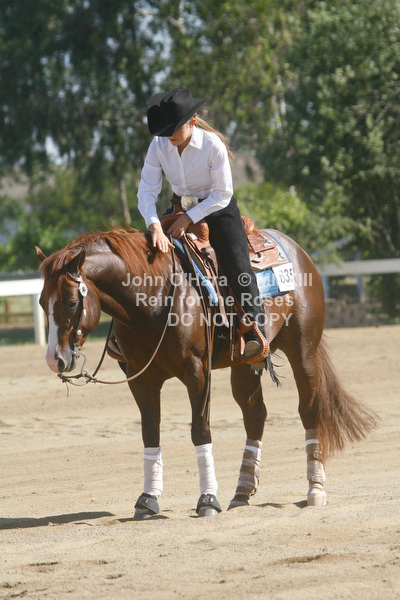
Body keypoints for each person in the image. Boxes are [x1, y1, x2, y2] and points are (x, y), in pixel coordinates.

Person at [137, 86, 268, 370]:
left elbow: (223, 193)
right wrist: (155, 226)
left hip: (217, 208)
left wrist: (189, 218)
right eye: (165, 131)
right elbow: (146, 191)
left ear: (192, 122)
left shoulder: (212, 145)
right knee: (142, 257)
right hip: (178, 207)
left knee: (237, 264)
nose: (169, 136)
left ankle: (256, 331)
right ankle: (133, 332)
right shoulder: (159, 144)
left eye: (174, 129)